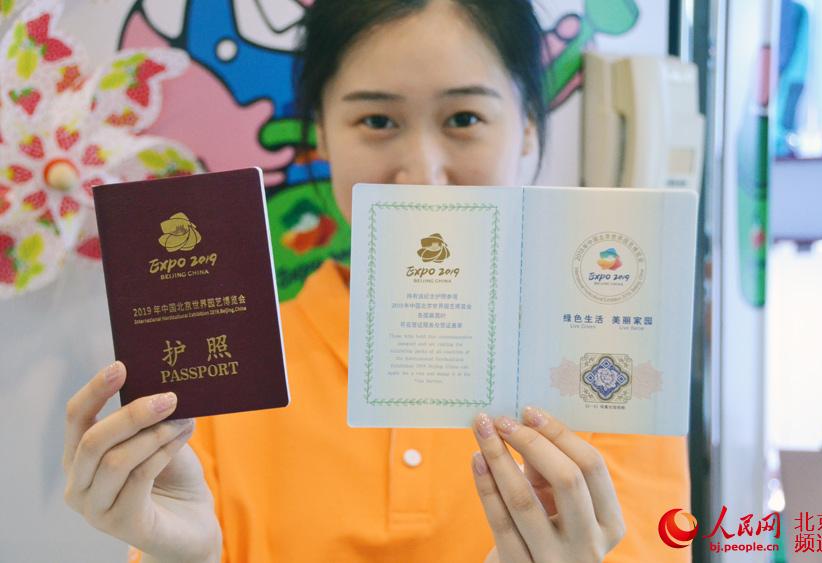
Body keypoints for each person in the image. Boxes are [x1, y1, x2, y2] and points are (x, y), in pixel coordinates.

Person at [62, 1, 691, 561]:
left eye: (464, 117)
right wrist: (186, 557)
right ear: (321, 134)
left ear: (528, 123)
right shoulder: (231, 366)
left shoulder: (611, 364)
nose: (422, 174)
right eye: (378, 122)